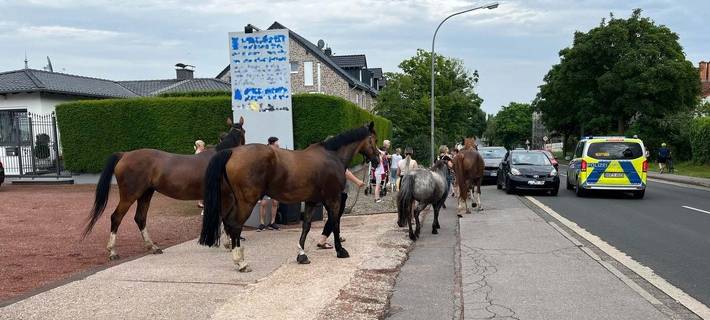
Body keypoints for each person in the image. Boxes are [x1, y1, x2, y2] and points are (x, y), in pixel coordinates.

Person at [316, 168, 365, 249]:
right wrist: (358, 181)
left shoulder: (326, 158)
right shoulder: (338, 158)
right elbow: (345, 171)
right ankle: (322, 240)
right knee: (334, 216)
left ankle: (337, 236)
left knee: (334, 215)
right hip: (338, 192)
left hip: (326, 191)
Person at [258, 137, 281, 231]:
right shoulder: (265, 152)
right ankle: (262, 223)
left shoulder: (278, 153)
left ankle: (272, 222)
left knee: (275, 202)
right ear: (272, 144)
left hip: (275, 181)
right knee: (263, 203)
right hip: (266, 182)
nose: (278, 145)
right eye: (277, 143)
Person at [195, 140, 206, 210]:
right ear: (199, 146)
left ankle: (201, 202)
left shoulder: (200, 152)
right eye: (203, 146)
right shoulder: (198, 153)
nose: (203, 147)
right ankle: (200, 202)